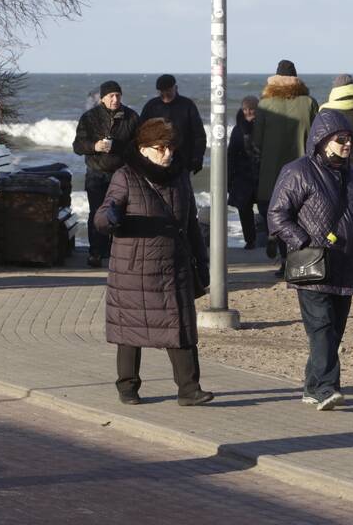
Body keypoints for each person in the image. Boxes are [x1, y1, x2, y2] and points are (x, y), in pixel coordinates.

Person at [95, 118, 213, 407]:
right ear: (144, 148)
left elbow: (192, 223)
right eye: (161, 148)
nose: (167, 153)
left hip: (175, 264)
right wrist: (109, 219)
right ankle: (128, 387)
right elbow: (102, 215)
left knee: (181, 326)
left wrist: (202, 261)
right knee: (130, 328)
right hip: (135, 266)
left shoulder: (180, 176)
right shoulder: (125, 176)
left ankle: (189, 389)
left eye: (170, 147)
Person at [267, 110, 353, 411]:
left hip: (347, 265)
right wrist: (302, 241)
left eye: (349, 139)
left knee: (334, 330)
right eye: (340, 139)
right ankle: (328, 387)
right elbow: (276, 215)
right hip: (313, 264)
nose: (346, 144)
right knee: (321, 327)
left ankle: (313, 387)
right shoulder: (298, 171)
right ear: (322, 140)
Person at [254, 59, 319, 277]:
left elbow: (257, 141)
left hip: (272, 172)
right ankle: (296, 261)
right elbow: (317, 137)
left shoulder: (264, 104)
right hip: (302, 171)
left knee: (277, 214)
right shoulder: (309, 103)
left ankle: (282, 256)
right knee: (301, 216)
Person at [73, 80, 140, 267]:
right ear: (102, 98)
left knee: (120, 213)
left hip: (122, 174)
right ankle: (95, 252)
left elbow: (139, 147)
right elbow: (77, 146)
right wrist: (94, 146)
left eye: (118, 95)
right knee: (96, 212)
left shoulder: (131, 117)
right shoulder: (90, 117)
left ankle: (118, 253)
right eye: (111, 96)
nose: (115, 99)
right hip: (96, 172)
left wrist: (117, 146)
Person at [140, 74, 206, 175]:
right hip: (156, 160)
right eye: (162, 91)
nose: (165, 93)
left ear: (175, 88)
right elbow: (141, 133)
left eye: (168, 90)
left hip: (183, 160)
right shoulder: (151, 106)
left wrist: (198, 157)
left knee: (181, 189)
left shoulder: (187, 105)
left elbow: (199, 134)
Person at [227, 95, 261, 248]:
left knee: (267, 208)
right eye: (245, 109)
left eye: (251, 109)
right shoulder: (238, 129)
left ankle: (270, 238)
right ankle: (250, 240)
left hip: (261, 173)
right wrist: (229, 179)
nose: (248, 112)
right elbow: (231, 154)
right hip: (242, 175)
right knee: (244, 209)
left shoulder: (264, 126)